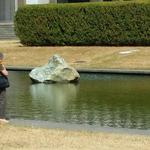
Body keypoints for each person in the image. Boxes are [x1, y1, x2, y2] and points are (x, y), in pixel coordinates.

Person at [0, 52, 9, 123]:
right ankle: (1, 117)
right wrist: (3, 66)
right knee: (2, 100)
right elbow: (6, 73)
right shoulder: (0, 65)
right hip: (1, 85)